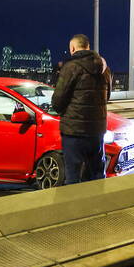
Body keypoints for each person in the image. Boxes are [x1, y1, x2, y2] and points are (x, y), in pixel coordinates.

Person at [51, 34, 112, 185]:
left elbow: (58, 101)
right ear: (88, 47)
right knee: (96, 174)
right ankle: (98, 206)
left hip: (74, 132)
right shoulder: (104, 68)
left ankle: (75, 208)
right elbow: (107, 96)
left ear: (72, 48)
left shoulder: (70, 67)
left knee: (73, 176)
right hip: (97, 131)